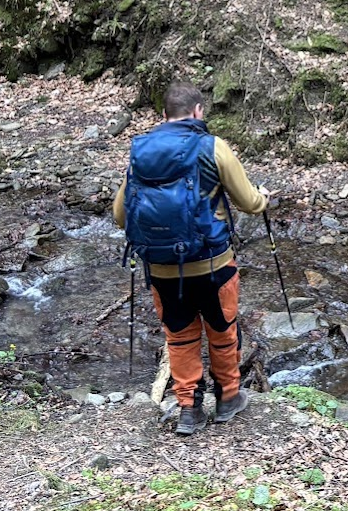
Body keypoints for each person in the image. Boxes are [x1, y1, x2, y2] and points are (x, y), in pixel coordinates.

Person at [113, 82, 270, 436]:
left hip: (162, 268)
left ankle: (189, 410)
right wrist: (263, 199)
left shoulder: (141, 151)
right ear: (198, 111)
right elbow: (247, 202)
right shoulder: (211, 147)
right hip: (213, 263)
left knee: (180, 338)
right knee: (222, 332)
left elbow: (121, 215)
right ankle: (228, 397)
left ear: (163, 115)